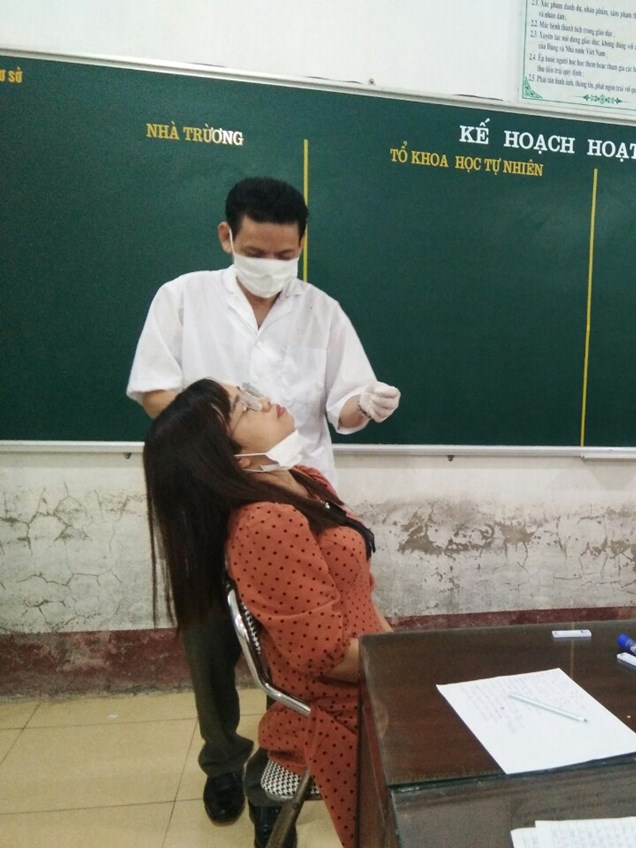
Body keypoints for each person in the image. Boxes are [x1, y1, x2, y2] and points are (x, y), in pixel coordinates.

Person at [126, 177, 400, 830]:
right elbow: (157, 394)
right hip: (215, 497)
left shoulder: (322, 311)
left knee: (298, 641)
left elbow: (342, 405)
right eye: (256, 252)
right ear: (227, 237)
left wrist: (362, 406)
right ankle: (225, 761)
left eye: (285, 255)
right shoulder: (182, 298)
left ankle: (285, 757)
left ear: (301, 244)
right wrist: (225, 441)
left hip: (298, 491)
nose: (272, 265)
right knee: (212, 640)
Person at [144, 379, 391, 848]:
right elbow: (328, 656)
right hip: (342, 702)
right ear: (224, 456)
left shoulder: (303, 479)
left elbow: (359, 593)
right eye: (244, 407)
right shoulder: (266, 522)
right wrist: (407, 664)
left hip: (374, 664)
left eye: (249, 392)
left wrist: (402, 650)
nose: (265, 402)